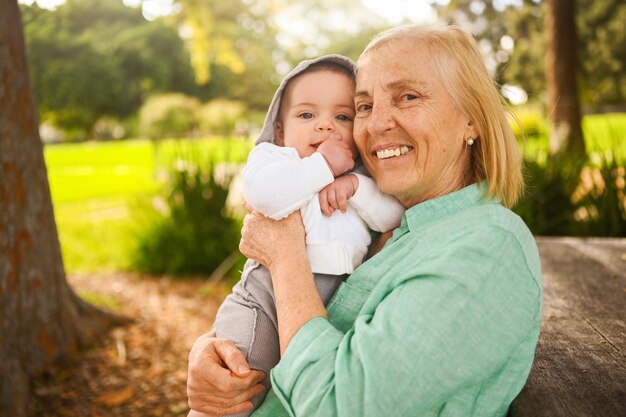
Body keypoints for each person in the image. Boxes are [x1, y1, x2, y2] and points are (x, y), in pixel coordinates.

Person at [187, 24, 543, 417]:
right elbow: (305, 312)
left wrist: (285, 254)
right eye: (364, 106)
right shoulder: (388, 220)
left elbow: (338, 407)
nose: (374, 125)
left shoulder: (487, 245)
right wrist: (218, 352)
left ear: (471, 120)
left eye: (408, 97)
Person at [189, 55, 404, 417]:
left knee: (296, 381)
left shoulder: (361, 177)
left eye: (342, 117)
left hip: (334, 294)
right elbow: (263, 196)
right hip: (265, 296)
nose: (325, 127)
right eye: (307, 115)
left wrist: (355, 186)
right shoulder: (275, 159)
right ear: (279, 130)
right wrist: (322, 167)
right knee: (238, 381)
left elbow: (391, 217)